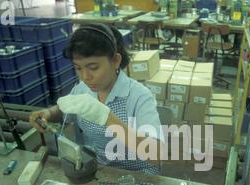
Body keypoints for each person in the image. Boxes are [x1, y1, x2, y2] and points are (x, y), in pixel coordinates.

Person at [29, 24, 164, 175]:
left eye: (93, 67)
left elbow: (155, 154)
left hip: (140, 175)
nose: (85, 77)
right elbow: (66, 108)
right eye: (78, 68)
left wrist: (107, 117)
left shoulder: (139, 96)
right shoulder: (83, 89)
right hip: (103, 170)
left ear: (115, 61)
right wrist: (48, 113)